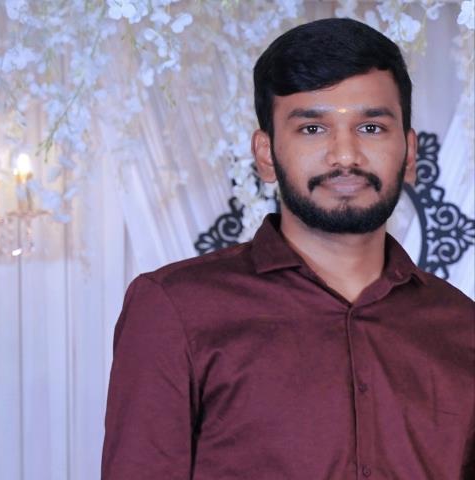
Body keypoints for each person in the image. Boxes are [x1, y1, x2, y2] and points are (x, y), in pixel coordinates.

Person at [101, 18, 474, 480]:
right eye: (312, 128)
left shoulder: (462, 326)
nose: (345, 155)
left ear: (410, 152)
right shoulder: (175, 310)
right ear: (265, 154)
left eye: (371, 127)